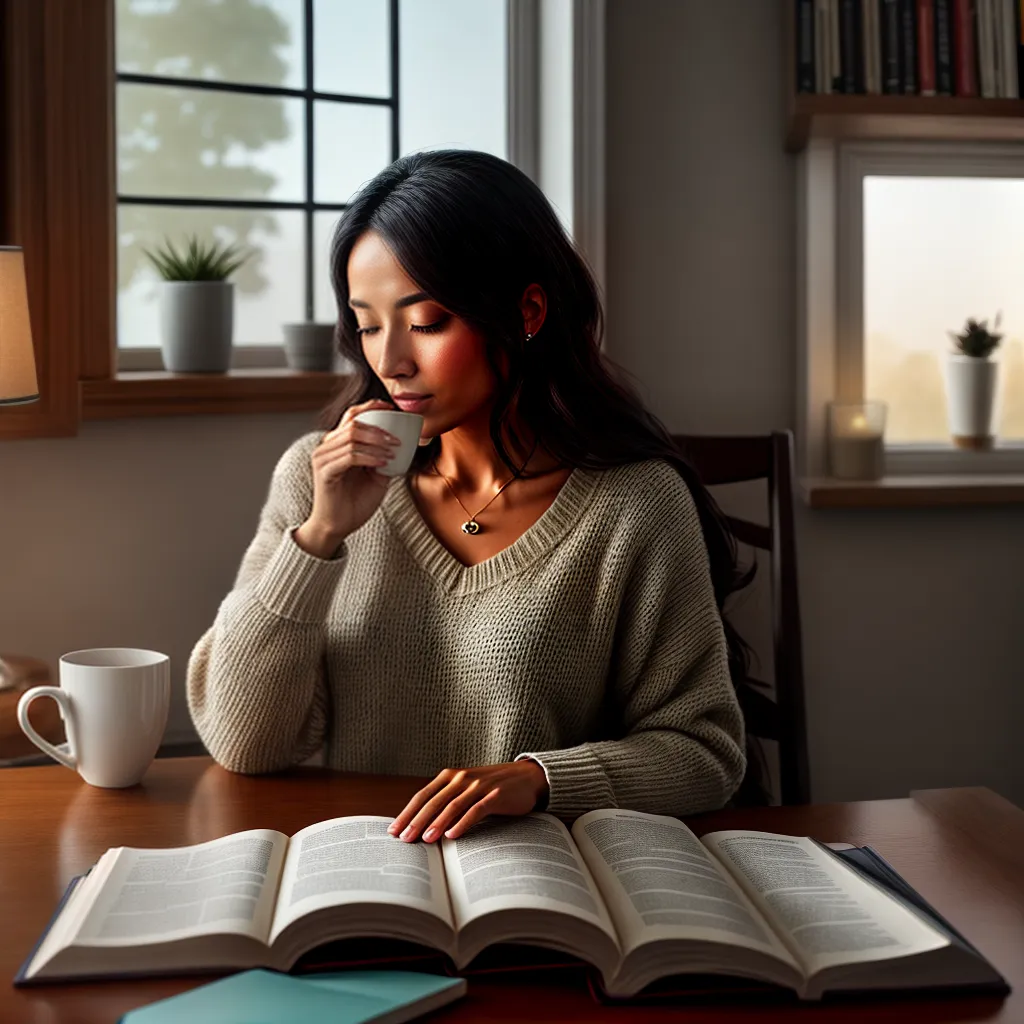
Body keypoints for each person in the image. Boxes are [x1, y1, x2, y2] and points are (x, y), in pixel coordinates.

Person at [187, 149, 751, 846]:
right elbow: (244, 742)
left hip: (543, 890)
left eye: (425, 322)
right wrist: (320, 537)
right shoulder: (315, 479)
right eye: (366, 324)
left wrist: (540, 780)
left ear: (529, 310)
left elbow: (705, 754)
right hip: (367, 881)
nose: (389, 360)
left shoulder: (635, 505)